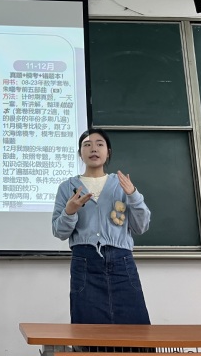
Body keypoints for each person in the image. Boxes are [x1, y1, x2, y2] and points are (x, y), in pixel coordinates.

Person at [52, 127, 151, 332]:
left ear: (108, 152)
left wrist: (133, 195)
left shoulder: (122, 184)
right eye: (87, 145)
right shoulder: (67, 187)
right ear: (80, 153)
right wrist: (70, 211)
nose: (93, 149)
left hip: (121, 261)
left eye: (99, 144)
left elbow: (141, 226)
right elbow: (59, 232)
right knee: (88, 329)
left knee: (135, 328)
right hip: (84, 261)